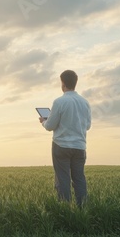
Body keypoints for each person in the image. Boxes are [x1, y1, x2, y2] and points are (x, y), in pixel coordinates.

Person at [39, 70, 91, 207]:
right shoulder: (85, 103)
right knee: (79, 179)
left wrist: (44, 121)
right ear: (75, 83)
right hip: (80, 147)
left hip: (61, 146)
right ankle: (82, 210)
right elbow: (88, 126)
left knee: (63, 180)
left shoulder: (59, 102)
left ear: (63, 84)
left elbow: (50, 126)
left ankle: (65, 210)